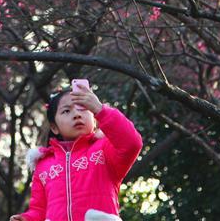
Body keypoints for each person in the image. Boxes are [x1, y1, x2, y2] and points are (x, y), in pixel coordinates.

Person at [10, 85, 143, 221]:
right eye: (66, 111)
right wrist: (27, 219)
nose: (77, 114)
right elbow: (39, 210)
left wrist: (100, 109)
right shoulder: (43, 165)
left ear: (94, 118)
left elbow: (132, 143)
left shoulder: (105, 149)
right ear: (54, 127)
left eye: (83, 108)